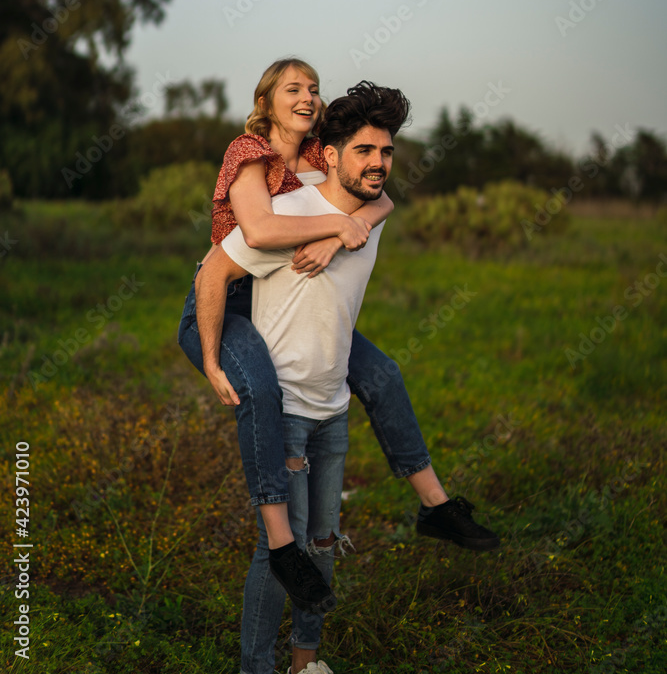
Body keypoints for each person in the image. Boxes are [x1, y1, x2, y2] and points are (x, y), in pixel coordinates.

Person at [178, 60, 499, 607]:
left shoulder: (319, 154)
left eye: (313, 88)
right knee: (261, 387)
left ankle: (437, 507)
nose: (307, 96)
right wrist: (211, 359)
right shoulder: (248, 152)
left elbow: (380, 197)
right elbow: (258, 229)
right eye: (292, 88)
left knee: (381, 373)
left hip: (275, 294)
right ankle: (282, 546)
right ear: (267, 101)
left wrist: (340, 234)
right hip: (223, 301)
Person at [217, 80, 405, 674]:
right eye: (365, 152)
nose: (378, 163)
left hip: (334, 411)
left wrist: (348, 226)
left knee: (323, 545)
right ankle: (255, 667)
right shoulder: (284, 209)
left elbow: (378, 205)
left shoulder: (371, 214)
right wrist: (209, 358)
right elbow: (216, 270)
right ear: (330, 155)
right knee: (282, 548)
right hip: (288, 410)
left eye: (387, 152)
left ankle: (304, 663)